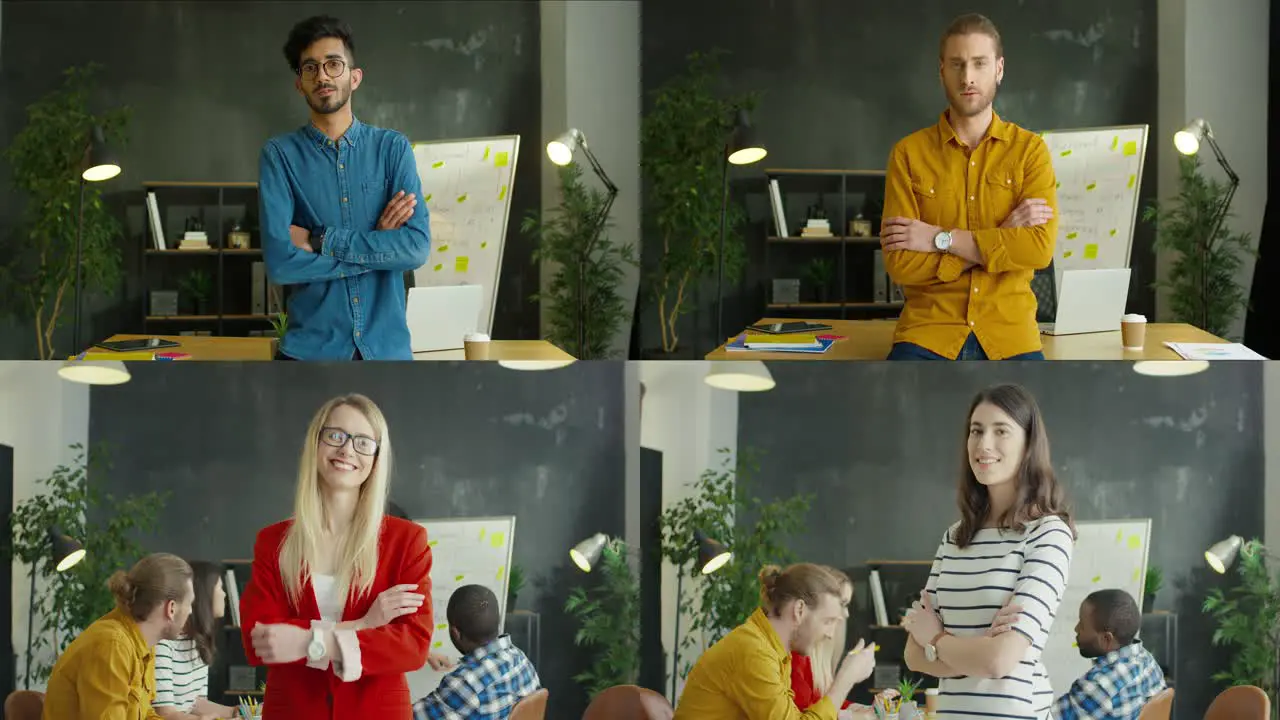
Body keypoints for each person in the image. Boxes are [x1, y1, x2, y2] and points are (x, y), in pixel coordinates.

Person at [239, 393, 434, 719]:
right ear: (315, 443)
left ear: (376, 457)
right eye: (335, 436)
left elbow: (412, 645)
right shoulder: (273, 541)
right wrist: (364, 624)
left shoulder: (407, 541)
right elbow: (260, 640)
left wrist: (308, 642)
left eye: (363, 442)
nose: (346, 450)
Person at [880, 13, 1058, 361]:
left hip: (1011, 336)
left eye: (979, 63)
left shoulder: (1030, 151)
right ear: (941, 70)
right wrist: (1002, 236)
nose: (968, 77)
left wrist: (939, 239)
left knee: (1032, 414)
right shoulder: (908, 154)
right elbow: (900, 263)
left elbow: (1038, 250)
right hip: (927, 335)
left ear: (999, 69)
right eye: (957, 64)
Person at [901, 383, 1077, 720]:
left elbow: (999, 661)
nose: (984, 445)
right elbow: (913, 655)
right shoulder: (953, 537)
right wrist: (976, 653)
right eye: (976, 430)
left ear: (1028, 444)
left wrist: (937, 637)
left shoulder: (1049, 534)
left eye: (1001, 431)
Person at [260, 15, 431, 361]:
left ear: (354, 77)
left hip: (387, 353)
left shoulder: (392, 149)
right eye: (310, 67)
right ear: (300, 84)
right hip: (309, 355)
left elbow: (415, 248)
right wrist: (380, 248)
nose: (322, 75)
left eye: (333, 64)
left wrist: (321, 241)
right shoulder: (279, 156)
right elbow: (280, 264)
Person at [674, 563, 876, 720]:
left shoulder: (774, 649)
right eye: (827, 621)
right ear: (799, 611)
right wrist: (845, 679)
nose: (831, 634)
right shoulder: (754, 651)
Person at [43, 554, 195, 720]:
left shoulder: (142, 647)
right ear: (171, 608)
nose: (190, 611)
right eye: (190, 604)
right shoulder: (112, 645)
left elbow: (145, 716)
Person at [411, 584, 541, 719]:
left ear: (455, 633)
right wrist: (424, 653)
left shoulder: (465, 685)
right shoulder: (520, 659)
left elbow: (404, 716)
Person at [1048, 589, 1167, 719]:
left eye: (1082, 625)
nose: (1076, 629)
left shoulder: (1098, 688)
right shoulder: (1149, 662)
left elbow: (1042, 717)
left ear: (1106, 639)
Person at [153, 561, 238, 719]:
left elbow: (195, 703)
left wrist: (236, 712)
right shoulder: (164, 643)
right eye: (219, 588)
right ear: (204, 594)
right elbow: (164, 714)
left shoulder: (198, 640)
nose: (224, 594)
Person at [791, 568, 855, 712]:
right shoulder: (796, 655)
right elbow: (809, 712)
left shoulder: (818, 654)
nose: (846, 613)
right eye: (842, 604)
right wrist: (848, 677)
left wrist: (860, 708)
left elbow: (825, 700)